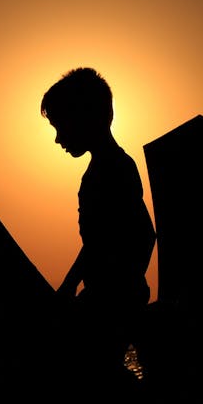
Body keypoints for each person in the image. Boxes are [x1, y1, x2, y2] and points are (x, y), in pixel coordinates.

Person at [41, 67, 156, 378]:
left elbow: (108, 242)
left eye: (61, 126)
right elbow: (141, 235)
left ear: (84, 118)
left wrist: (114, 288)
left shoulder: (110, 171)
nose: (58, 138)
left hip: (107, 304)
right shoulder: (112, 167)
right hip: (110, 298)